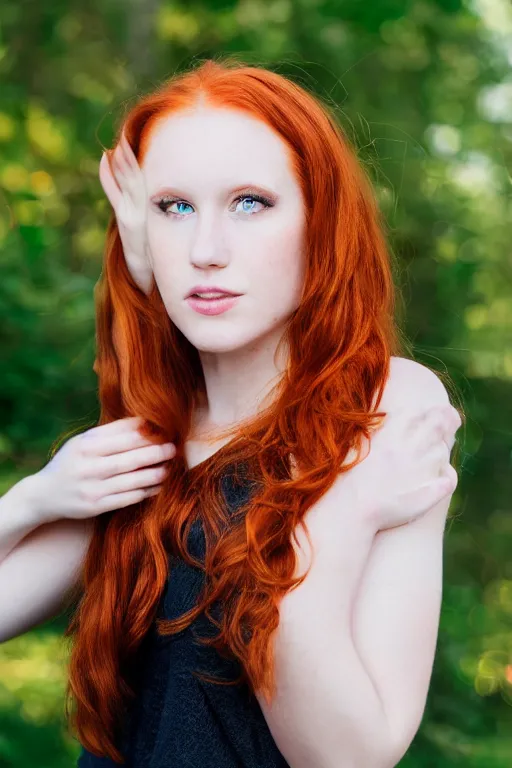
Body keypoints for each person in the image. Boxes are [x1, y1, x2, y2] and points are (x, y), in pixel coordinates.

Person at [0, 57, 462, 768]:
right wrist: (32, 501)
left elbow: (345, 755)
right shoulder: (152, 446)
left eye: (251, 203)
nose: (206, 252)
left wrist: (333, 518)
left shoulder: (384, 404)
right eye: (173, 207)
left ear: (320, 222)